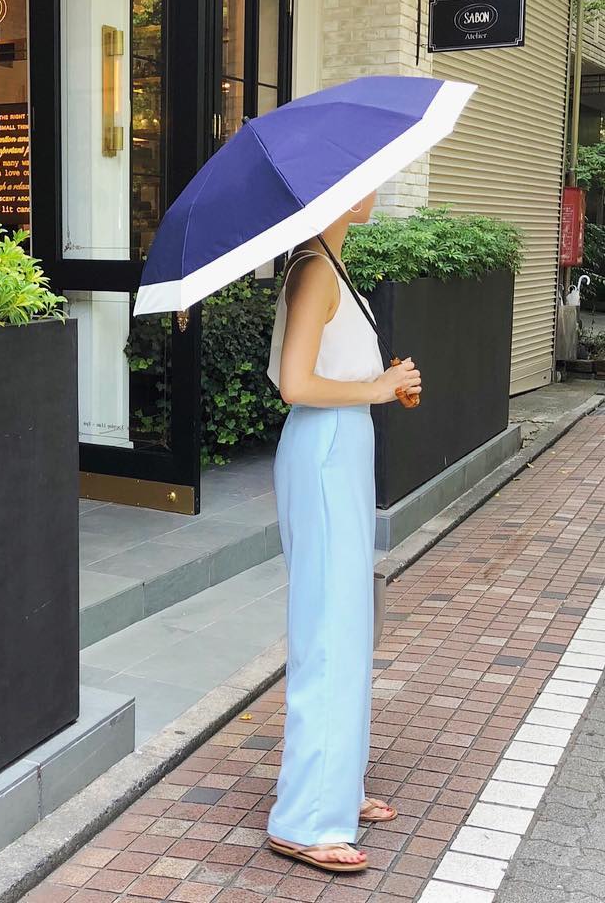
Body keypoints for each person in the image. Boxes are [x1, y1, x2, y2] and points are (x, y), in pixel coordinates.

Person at [264, 191, 422, 874]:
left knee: (347, 621)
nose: (375, 187)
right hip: (325, 449)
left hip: (341, 446)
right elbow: (295, 384)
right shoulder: (314, 270)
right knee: (329, 624)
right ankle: (305, 818)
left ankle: (337, 788)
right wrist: (376, 389)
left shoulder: (330, 262)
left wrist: (385, 384)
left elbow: (334, 372)